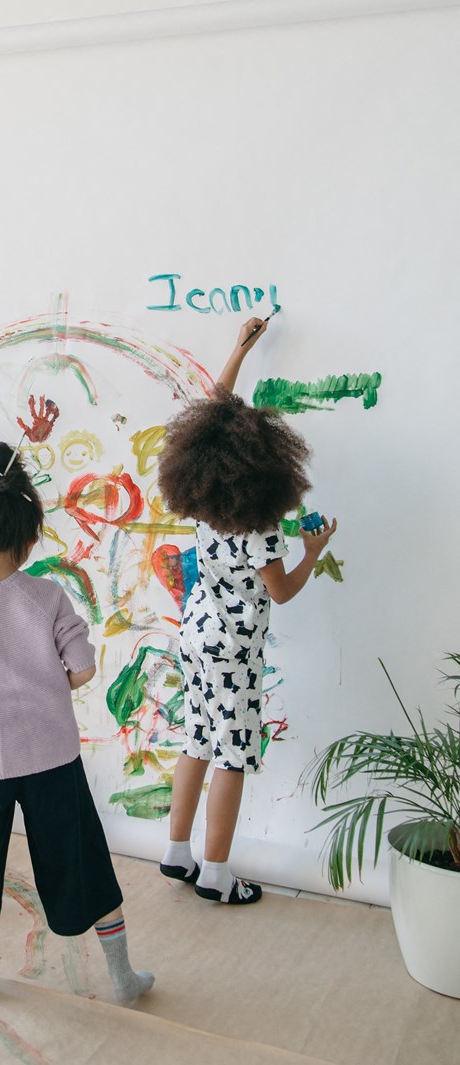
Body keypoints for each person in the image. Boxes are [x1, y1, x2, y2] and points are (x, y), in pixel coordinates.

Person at [0, 440, 154, 1007]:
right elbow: (84, 670)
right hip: (50, 755)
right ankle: (121, 979)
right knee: (83, 860)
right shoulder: (46, 596)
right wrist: (44, 684)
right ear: (26, 536)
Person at [157, 318, 338, 905]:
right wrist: (312, 552)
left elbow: (215, 407)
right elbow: (280, 592)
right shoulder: (260, 527)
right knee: (231, 753)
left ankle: (176, 852)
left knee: (197, 740)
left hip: (195, 636)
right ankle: (215, 872)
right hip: (234, 651)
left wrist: (236, 351)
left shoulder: (206, 502)